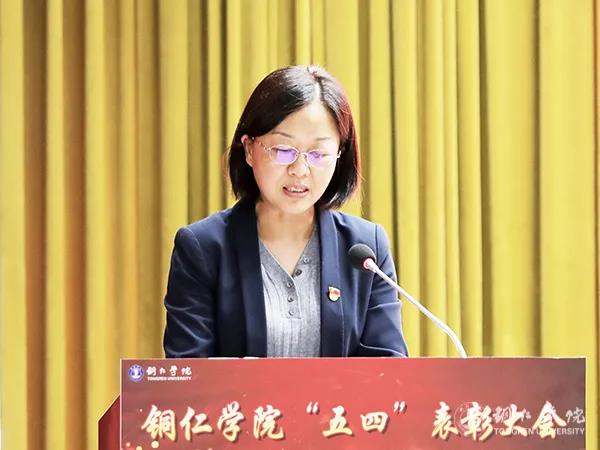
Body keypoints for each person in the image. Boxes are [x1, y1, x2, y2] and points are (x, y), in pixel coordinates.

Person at [163, 65, 408, 358]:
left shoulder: (365, 251)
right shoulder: (203, 248)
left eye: (318, 154)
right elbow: (189, 371)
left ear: (339, 157)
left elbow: (387, 368)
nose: (300, 170)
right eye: (283, 150)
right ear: (249, 149)